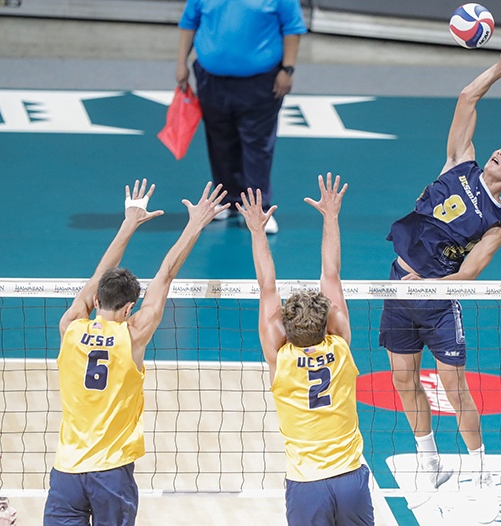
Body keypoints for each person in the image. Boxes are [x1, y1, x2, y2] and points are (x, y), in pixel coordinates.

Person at [378, 34, 501, 519]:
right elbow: (466, 98)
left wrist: (431, 287)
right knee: (402, 379)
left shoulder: (495, 224)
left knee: (455, 389)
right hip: (398, 284)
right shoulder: (460, 161)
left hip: (436, 301)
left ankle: (479, 466)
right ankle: (428, 460)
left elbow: (469, 274)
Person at [43, 179, 229, 526]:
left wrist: (128, 222)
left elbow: (98, 275)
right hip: (111, 474)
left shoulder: (70, 326)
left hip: (67, 471)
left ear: (96, 300)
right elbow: (166, 273)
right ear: (130, 307)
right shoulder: (134, 334)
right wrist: (194, 223)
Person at [238, 174, 374, 526]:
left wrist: (256, 231)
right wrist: (331, 217)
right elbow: (331, 274)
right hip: (351, 481)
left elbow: (266, 285)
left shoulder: (279, 357)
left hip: (306, 485)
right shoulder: (341, 345)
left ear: (285, 327)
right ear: (327, 322)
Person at [176, 0, 308, 235]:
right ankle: (227, 201)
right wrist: (181, 64)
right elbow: (189, 23)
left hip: (260, 82)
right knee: (219, 141)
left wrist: (287, 69)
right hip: (211, 80)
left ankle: (259, 210)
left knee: (257, 145)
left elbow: (292, 28)